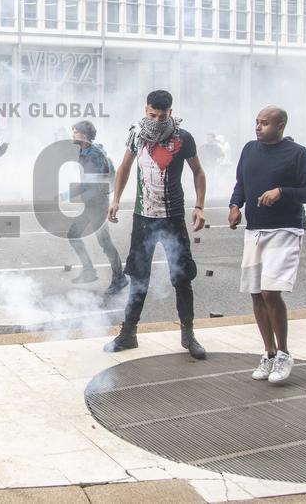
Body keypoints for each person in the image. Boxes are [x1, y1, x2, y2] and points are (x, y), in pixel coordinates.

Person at [104, 90, 208, 359]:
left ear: (170, 112)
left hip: (173, 217)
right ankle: (128, 334)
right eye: (152, 115)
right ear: (146, 109)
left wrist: (199, 206)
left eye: (162, 116)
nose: (156, 120)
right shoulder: (137, 136)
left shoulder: (183, 138)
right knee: (138, 278)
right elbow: (124, 168)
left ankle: (188, 335)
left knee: (182, 278)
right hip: (144, 218)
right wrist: (116, 199)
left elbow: (198, 172)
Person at [229, 106, 306, 385]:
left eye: (265, 123)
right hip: (255, 229)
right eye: (256, 122)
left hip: (285, 228)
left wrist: (281, 191)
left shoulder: (298, 154)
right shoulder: (249, 149)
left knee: (270, 291)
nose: (258, 127)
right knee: (256, 293)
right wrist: (235, 205)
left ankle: (284, 353)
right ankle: (268, 354)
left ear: (280, 126)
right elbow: (241, 183)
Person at [65, 121, 123, 286]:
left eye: (75, 132)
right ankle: (89, 271)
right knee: (75, 235)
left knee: (104, 243)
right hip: (91, 204)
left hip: (97, 205)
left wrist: (67, 194)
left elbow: (94, 184)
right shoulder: (84, 151)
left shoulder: (94, 155)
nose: (72, 135)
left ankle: (119, 278)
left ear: (84, 135)